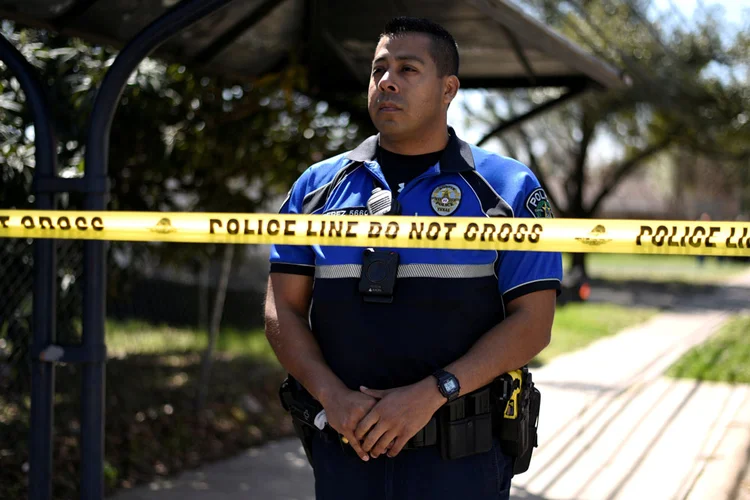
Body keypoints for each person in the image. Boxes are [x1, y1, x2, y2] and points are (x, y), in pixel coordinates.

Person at [264, 16, 562, 500]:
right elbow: (283, 310)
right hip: (345, 450)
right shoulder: (316, 189)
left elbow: (533, 324)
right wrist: (331, 397)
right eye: (379, 69)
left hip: (461, 461)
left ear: (448, 89)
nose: (387, 81)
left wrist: (432, 392)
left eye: (408, 69)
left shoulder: (507, 189)